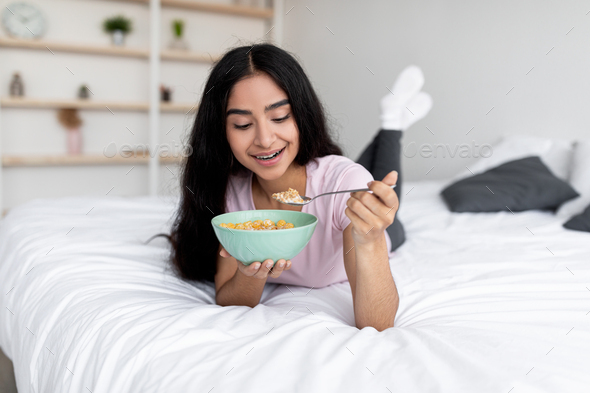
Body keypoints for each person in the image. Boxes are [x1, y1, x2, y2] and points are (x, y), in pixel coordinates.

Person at [160, 44, 431, 331]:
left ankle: (392, 124)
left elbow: (376, 324)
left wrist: (373, 237)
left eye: (279, 117)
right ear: (221, 132)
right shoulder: (231, 192)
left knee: (374, 189)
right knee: (357, 174)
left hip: (385, 234)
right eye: (242, 124)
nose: (264, 140)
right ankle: (392, 121)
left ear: (302, 116)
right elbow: (229, 300)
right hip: (337, 175)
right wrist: (251, 273)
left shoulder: (344, 184)